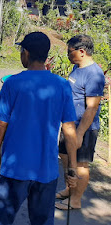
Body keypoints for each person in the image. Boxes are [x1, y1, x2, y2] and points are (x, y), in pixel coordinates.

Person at [0, 32, 79, 225]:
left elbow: (2, 122)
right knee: (43, 221)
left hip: (15, 168)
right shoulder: (62, 85)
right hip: (46, 170)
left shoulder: (13, 82)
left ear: (26, 53)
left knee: (1, 219)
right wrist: (71, 167)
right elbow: (69, 129)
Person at [55, 34, 105, 210]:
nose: (67, 55)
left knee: (81, 165)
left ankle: (75, 200)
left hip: (84, 128)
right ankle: (69, 189)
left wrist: (80, 133)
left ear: (82, 51)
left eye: (70, 52)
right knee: (66, 157)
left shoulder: (94, 74)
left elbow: (91, 108)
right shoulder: (77, 68)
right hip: (69, 124)